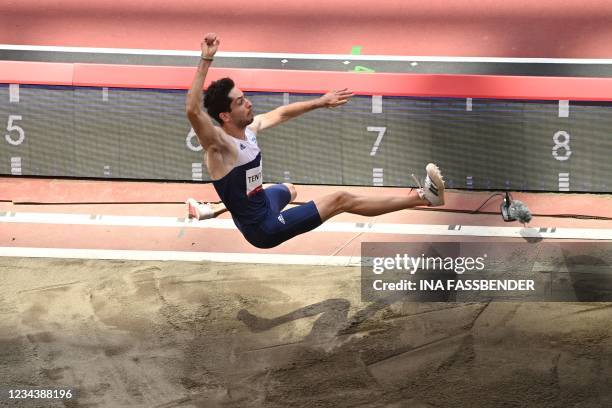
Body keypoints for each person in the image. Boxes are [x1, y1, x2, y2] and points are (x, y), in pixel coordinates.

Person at [185, 33, 445, 249]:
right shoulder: (220, 147)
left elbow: (282, 113)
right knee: (340, 199)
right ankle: (424, 198)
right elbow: (193, 111)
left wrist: (320, 102)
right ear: (225, 115)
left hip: (261, 204)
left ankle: (214, 209)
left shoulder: (249, 128)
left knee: (290, 189)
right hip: (263, 228)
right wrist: (206, 59)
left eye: (245, 97)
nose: (249, 103)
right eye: (241, 102)